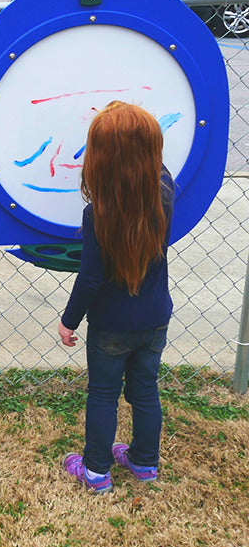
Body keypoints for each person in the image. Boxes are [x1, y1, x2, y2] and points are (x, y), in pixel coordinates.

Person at [58, 101, 173, 494]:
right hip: (155, 319)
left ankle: (95, 471)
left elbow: (90, 280)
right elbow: (157, 166)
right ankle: (144, 462)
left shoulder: (97, 214)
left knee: (103, 394)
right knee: (145, 391)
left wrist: (68, 321)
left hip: (110, 327)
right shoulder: (165, 193)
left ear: (98, 161)